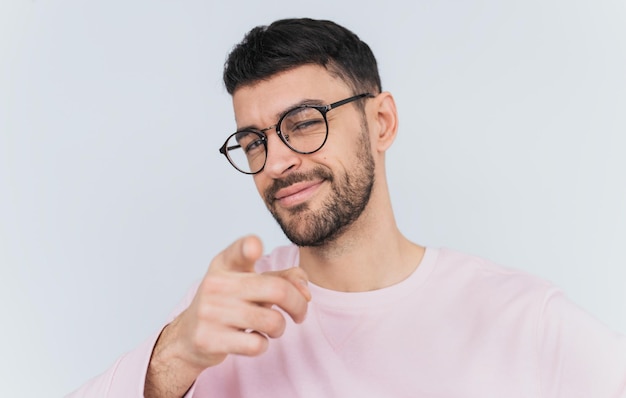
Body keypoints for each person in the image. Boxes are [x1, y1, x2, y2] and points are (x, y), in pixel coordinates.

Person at [68, 18, 626, 398]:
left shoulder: (525, 321)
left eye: (305, 122)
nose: (277, 161)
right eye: (254, 141)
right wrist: (173, 357)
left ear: (381, 122)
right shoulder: (225, 317)